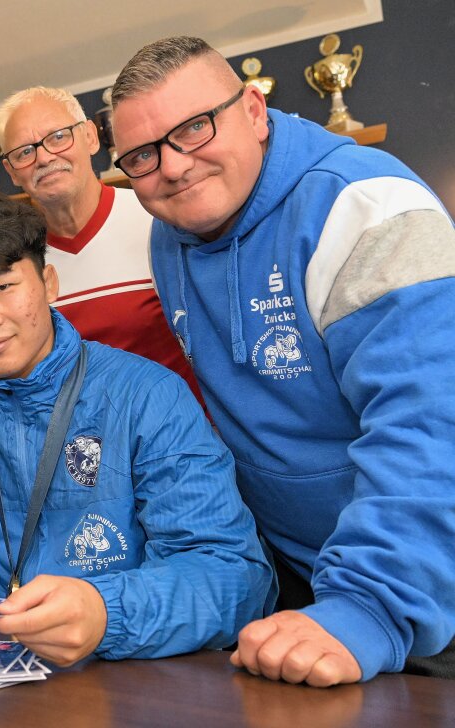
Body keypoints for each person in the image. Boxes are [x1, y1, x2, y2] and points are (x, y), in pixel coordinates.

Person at [110, 36, 455, 685]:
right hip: (309, 580)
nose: (174, 167)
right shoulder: (169, 235)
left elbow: (435, 422)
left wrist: (371, 605)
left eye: (193, 128)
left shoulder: (368, 207)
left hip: (417, 583)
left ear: (253, 110)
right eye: (142, 156)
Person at [0, 188, 273, 666]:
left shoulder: (149, 397)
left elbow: (233, 578)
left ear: (49, 283)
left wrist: (105, 612)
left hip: (125, 683)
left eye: (4, 287)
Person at [0, 87, 203, 403]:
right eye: (24, 152)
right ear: (10, 172)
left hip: (181, 438)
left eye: (59, 136)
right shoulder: (13, 262)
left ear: (91, 137)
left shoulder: (157, 217)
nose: (45, 157)